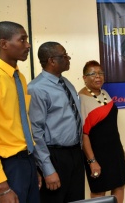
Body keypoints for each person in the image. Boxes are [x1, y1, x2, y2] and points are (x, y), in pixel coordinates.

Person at [28, 41, 85, 203]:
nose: (68, 58)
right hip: (54, 157)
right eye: (64, 56)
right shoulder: (37, 89)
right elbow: (35, 132)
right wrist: (47, 169)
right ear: (52, 60)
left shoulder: (66, 83)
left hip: (74, 154)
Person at [0, 21, 40, 203]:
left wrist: (33, 168)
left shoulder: (19, 77)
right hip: (7, 166)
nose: (28, 45)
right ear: (3, 44)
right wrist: (2, 186)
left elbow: (21, 124)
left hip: (26, 161)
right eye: (22, 40)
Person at [78, 60, 125, 203]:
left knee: (119, 185)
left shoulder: (104, 93)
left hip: (114, 151)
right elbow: (83, 134)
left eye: (100, 73)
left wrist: (120, 148)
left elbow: (110, 126)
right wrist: (92, 161)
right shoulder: (81, 99)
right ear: (84, 78)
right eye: (93, 74)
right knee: (99, 191)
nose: (98, 77)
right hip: (96, 154)